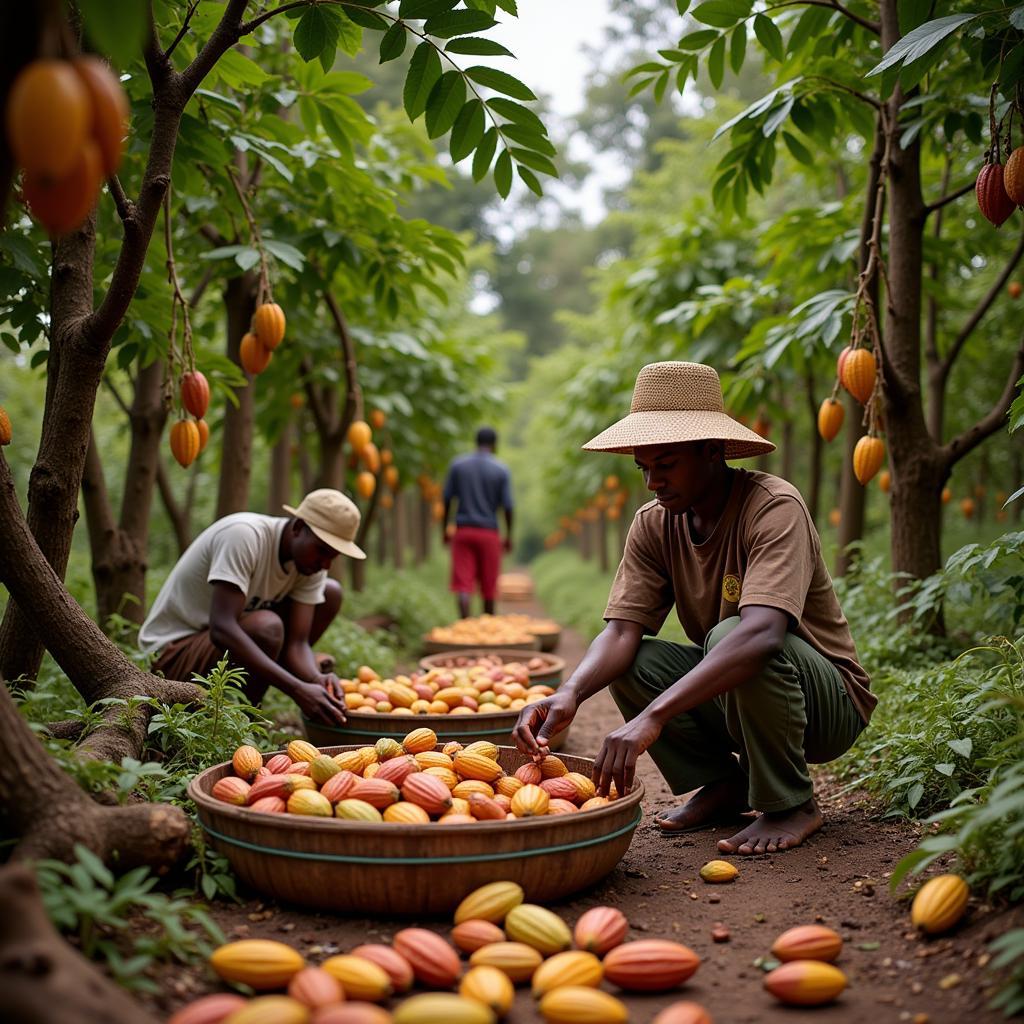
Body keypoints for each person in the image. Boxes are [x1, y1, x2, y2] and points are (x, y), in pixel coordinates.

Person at [514, 362, 874, 855]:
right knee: (634, 661)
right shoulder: (655, 523)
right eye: (644, 468)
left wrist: (653, 717)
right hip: (739, 691)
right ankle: (724, 786)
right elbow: (622, 631)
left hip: (825, 703)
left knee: (730, 636)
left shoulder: (773, 507)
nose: (652, 483)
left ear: (711, 452)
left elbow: (763, 634)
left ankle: (790, 803)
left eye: (665, 465)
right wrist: (570, 692)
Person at [139, 489, 365, 726]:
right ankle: (245, 721)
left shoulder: (310, 562)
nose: (326, 563)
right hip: (174, 653)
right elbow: (222, 628)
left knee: (330, 593)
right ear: (298, 527)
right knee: (267, 626)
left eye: (334, 556)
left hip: (225, 648)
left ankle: (247, 716)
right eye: (322, 550)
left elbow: (298, 643)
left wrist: (315, 679)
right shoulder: (244, 536)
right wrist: (297, 689)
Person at [442, 426, 514, 618]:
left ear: (476, 442)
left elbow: (447, 500)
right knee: (489, 585)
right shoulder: (501, 469)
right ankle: (486, 631)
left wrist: (444, 529)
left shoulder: (458, 466)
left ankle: (465, 628)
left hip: (463, 531)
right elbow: (507, 507)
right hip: (489, 533)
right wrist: (508, 536)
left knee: (463, 584)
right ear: (494, 445)